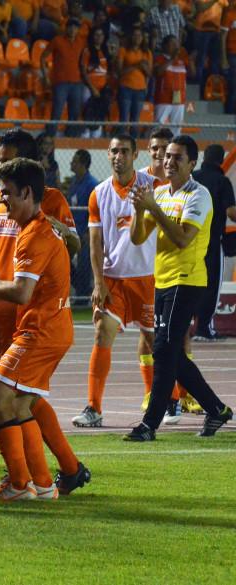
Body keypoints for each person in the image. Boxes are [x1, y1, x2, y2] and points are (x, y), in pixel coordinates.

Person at [0, 129, 89, 497]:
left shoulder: (47, 205)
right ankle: (41, 477)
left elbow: (71, 245)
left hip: (30, 313)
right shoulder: (0, 199)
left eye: (5, 160)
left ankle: (36, 477)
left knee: (12, 397)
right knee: (12, 397)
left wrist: (53, 227)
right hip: (2, 311)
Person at [126, 135, 234, 441]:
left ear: (192, 164)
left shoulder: (198, 195)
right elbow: (137, 238)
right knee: (169, 352)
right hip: (163, 280)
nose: (168, 162)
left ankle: (149, 425)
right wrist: (138, 210)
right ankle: (216, 409)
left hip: (187, 280)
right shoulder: (158, 194)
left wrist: (153, 208)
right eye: (166, 156)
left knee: (163, 350)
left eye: (177, 158)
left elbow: (184, 238)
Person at [70, 135, 158, 428]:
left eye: (124, 151)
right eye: (113, 151)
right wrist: (98, 282)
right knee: (101, 334)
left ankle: (160, 398)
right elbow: (95, 243)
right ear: (107, 155)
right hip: (113, 279)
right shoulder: (98, 193)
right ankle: (93, 407)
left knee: (153, 341)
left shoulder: (153, 185)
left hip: (149, 277)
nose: (118, 156)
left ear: (135, 154)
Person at [191, 144, 236, 340]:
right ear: (221, 159)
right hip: (211, 240)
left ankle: (186, 326)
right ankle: (204, 328)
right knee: (211, 284)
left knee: (190, 282)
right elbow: (231, 213)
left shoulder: (193, 178)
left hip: (188, 238)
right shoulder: (221, 181)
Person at [42, 18, 85, 137]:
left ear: (78, 30)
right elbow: (43, 57)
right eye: (70, 27)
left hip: (76, 82)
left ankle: (70, 137)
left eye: (75, 27)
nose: (72, 29)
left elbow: (82, 60)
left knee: (75, 113)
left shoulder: (81, 42)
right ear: (66, 28)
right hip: (60, 82)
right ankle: (50, 137)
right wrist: (46, 76)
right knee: (57, 111)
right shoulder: (57, 41)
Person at [67, 149, 97, 297]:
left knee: (84, 263)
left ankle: (82, 296)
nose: (71, 163)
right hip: (72, 230)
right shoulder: (74, 182)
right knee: (65, 259)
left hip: (85, 232)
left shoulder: (91, 184)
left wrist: (88, 231)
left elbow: (95, 210)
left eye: (75, 161)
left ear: (83, 164)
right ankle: (81, 290)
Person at [153, 35, 194, 131]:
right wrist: (172, 59)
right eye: (173, 43)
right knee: (158, 126)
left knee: (176, 128)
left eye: (177, 43)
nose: (176, 46)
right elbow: (157, 72)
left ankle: (175, 145)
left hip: (179, 99)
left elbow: (193, 74)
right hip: (163, 99)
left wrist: (191, 61)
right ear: (165, 46)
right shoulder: (159, 58)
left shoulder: (182, 60)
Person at [117, 26, 152, 137]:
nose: (137, 38)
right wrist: (137, 65)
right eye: (134, 35)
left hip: (140, 89)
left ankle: (133, 142)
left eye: (139, 35)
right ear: (130, 37)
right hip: (125, 87)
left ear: (142, 38)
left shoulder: (147, 53)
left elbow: (150, 73)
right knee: (124, 118)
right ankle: (122, 142)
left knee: (135, 119)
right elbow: (119, 71)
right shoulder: (123, 50)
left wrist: (144, 68)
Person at [80, 26, 111, 138]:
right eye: (96, 35)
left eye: (101, 35)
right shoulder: (87, 51)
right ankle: (85, 137)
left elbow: (107, 72)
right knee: (88, 113)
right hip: (89, 87)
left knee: (99, 115)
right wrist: (92, 88)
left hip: (102, 89)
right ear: (92, 37)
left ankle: (96, 138)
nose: (99, 37)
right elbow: (84, 72)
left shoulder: (105, 51)